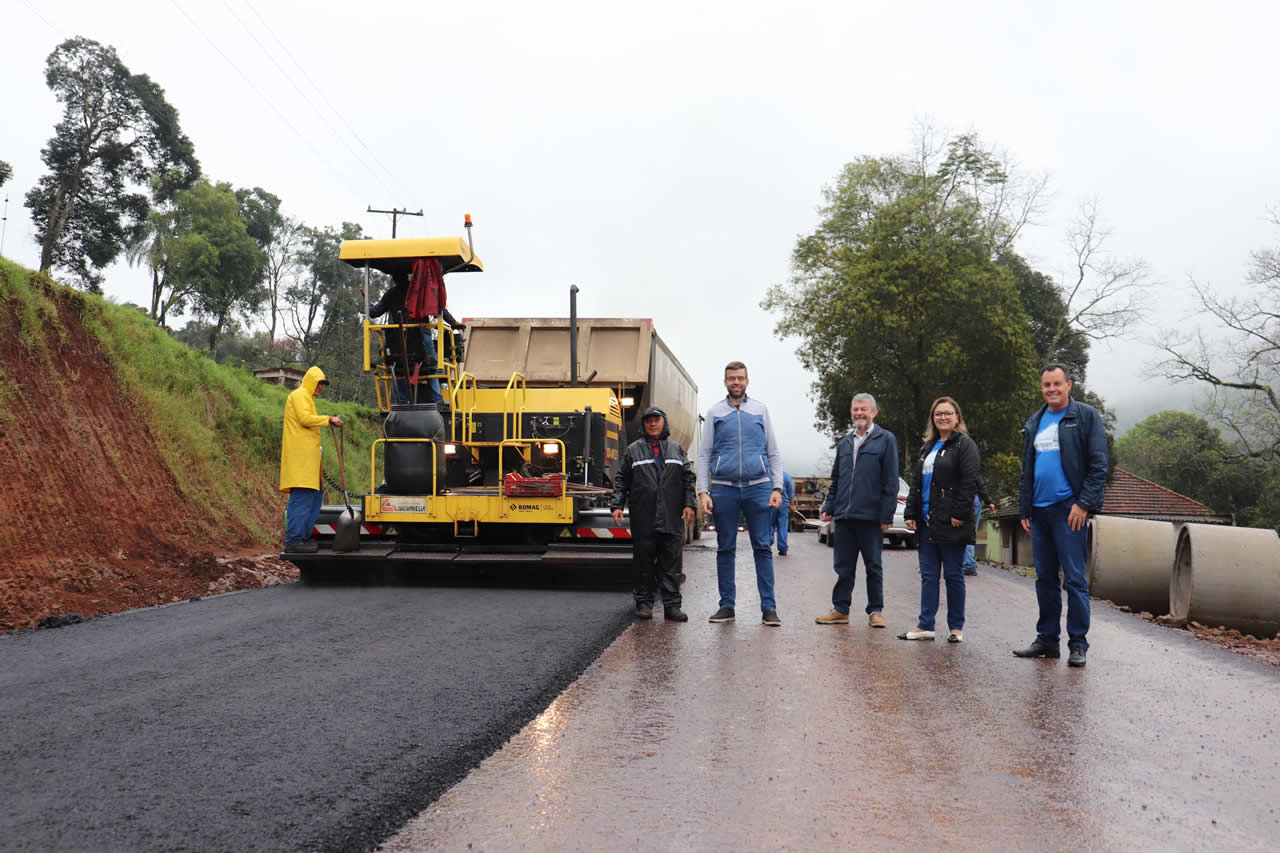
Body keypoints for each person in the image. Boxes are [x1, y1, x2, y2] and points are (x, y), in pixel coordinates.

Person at [1013, 363, 1109, 667]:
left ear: (1069, 384)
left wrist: (1083, 504)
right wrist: (1025, 508)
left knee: (1075, 579)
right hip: (1039, 512)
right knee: (1045, 578)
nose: (1051, 389)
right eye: (1046, 385)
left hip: (1069, 511)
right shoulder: (1035, 421)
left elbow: (1098, 465)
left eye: (1057, 384)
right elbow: (1027, 469)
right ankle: (1047, 641)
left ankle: (1078, 644)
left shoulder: (1085, 416)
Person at [696, 361, 785, 626]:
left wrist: (777, 486)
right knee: (725, 548)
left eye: (740, 378)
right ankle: (726, 606)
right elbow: (704, 455)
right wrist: (703, 491)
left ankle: (769, 608)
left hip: (759, 487)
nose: (736, 382)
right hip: (724, 489)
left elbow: (773, 452)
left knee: (762, 547)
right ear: (725, 382)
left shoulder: (760, 410)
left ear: (747, 381)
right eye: (731, 378)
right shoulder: (715, 412)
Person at [814, 393, 899, 628]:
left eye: (864, 409)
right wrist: (829, 506)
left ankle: (875, 611)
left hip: (871, 517)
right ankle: (841, 609)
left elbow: (890, 481)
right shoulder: (845, 442)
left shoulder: (886, 440)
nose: (859, 414)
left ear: (874, 412)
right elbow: (837, 478)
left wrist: (886, 514)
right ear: (851, 412)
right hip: (844, 517)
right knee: (843, 567)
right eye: (856, 410)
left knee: (873, 566)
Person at [899, 396, 980, 643]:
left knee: (954, 575)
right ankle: (926, 626)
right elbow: (916, 483)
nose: (942, 417)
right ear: (932, 419)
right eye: (938, 414)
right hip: (926, 521)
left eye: (947, 413)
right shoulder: (927, 447)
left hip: (951, 521)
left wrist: (959, 514)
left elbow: (969, 481)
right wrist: (910, 513)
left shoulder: (965, 445)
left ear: (957, 417)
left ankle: (956, 628)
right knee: (929, 575)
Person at [612, 407, 696, 621]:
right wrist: (617, 505)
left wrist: (689, 504)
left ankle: (672, 607)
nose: (652, 424)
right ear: (644, 425)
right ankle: (644, 604)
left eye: (656, 420)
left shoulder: (677, 449)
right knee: (643, 563)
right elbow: (622, 479)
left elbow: (687, 479)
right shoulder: (633, 450)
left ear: (663, 422)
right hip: (644, 516)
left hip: (671, 515)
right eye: (648, 420)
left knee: (672, 564)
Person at [280, 366, 342, 554]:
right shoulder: (299, 395)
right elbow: (305, 419)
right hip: (301, 459)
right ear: (310, 381)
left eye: (323, 384)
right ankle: (294, 540)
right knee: (302, 499)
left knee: (315, 498)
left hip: (309, 459)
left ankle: (304, 538)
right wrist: (329, 419)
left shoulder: (308, 398)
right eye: (319, 383)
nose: (321, 387)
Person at [961, 476, 996, 576]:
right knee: (971, 534)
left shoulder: (957, 465)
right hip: (976, 503)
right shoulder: (973, 467)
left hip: (966, 503)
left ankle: (968, 565)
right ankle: (968, 562)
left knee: (965, 534)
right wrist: (988, 501)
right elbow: (980, 485)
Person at [772, 471, 795, 555]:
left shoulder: (769, 475)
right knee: (782, 527)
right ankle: (783, 548)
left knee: (769, 525)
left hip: (771, 503)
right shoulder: (786, 476)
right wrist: (792, 505)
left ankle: (768, 543)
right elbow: (790, 494)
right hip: (784, 504)